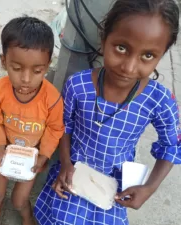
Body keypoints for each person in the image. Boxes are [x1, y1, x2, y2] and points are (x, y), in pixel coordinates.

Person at [34, 0, 181, 224]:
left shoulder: (159, 100)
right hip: (74, 169)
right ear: (104, 40)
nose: (129, 67)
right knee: (61, 218)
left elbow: (172, 145)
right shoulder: (78, 85)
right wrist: (65, 163)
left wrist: (149, 188)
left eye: (148, 55)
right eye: (121, 48)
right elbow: (64, 125)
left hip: (115, 184)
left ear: (162, 55)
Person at [0, 17, 64, 225]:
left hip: (31, 157)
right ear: (4, 62)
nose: (26, 79)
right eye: (17, 68)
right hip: (4, 152)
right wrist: (0, 147)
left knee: (19, 200)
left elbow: (55, 129)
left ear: (47, 65)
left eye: (37, 71)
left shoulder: (53, 97)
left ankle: (27, 215)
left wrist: (44, 155)